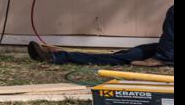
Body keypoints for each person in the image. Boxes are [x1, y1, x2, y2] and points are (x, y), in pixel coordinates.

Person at [30, 5, 173, 68]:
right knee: (129, 54)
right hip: (168, 50)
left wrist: (162, 58)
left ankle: (59, 57)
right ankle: (59, 55)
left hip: (168, 54)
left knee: (121, 58)